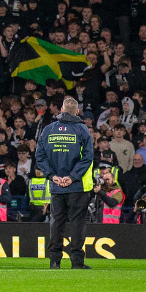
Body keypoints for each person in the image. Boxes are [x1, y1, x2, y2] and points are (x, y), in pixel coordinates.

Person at [35, 96, 95, 270]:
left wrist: (52, 176)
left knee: (56, 223)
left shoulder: (48, 130)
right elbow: (88, 157)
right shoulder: (82, 130)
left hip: (56, 185)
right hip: (78, 186)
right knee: (77, 224)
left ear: (61, 110)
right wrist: (72, 176)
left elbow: (40, 156)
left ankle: (54, 261)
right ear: (77, 112)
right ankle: (77, 262)